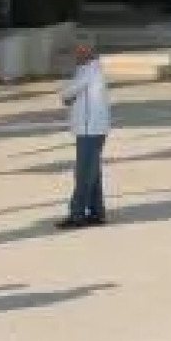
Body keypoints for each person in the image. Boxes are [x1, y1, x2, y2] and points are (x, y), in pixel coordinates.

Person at [59, 41, 111, 229]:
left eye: (81, 50)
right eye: (76, 50)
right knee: (92, 173)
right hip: (88, 129)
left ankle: (77, 215)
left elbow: (69, 91)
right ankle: (97, 212)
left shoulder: (90, 70)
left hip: (91, 129)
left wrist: (65, 95)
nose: (77, 54)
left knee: (83, 174)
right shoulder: (85, 69)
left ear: (90, 51)